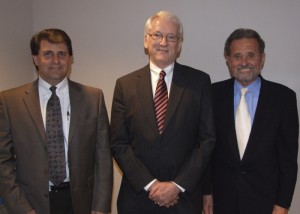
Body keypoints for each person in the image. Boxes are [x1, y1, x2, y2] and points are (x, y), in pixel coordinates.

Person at [110, 11, 215, 214]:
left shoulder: (199, 82)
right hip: (137, 199)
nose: (163, 42)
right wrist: (151, 185)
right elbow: (118, 143)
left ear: (179, 44)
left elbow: (207, 141)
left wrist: (177, 185)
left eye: (171, 37)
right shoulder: (125, 85)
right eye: (157, 35)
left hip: (184, 200)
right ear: (146, 40)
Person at [0, 28, 113, 214]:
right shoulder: (10, 102)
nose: (56, 61)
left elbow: (103, 157)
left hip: (81, 202)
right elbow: (3, 161)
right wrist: (22, 208)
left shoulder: (93, 98)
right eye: (48, 54)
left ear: (70, 58)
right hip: (32, 203)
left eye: (62, 54)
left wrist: (100, 207)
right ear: (35, 59)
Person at [203, 28, 299, 214]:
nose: (244, 62)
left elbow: (288, 159)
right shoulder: (212, 95)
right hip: (222, 201)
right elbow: (206, 150)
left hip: (267, 202)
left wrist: (283, 204)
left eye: (250, 55)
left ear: (262, 58)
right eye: (237, 56)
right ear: (228, 61)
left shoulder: (284, 98)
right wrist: (206, 192)